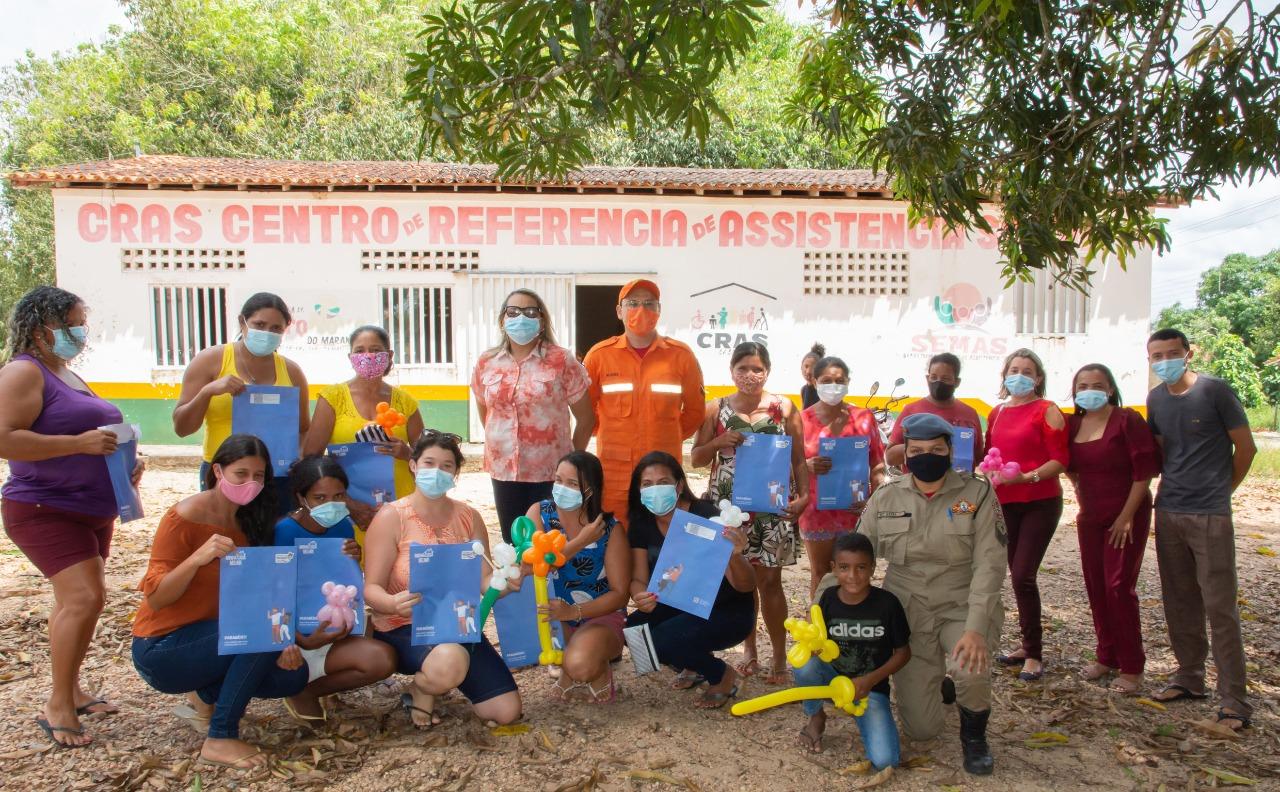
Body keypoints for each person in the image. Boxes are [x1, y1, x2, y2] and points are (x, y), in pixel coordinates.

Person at [0, 286, 145, 747]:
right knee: (84, 598)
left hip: (93, 507)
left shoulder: (67, 373)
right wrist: (78, 445)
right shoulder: (23, 373)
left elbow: (91, 434)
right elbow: (5, 438)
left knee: (75, 602)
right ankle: (58, 704)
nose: (83, 330)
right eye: (76, 321)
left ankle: (73, 688)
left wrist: (123, 465)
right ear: (46, 325)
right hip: (45, 506)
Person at [131, 435, 309, 770]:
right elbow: (156, 599)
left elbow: (265, 590)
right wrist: (197, 558)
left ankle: (206, 693)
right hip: (162, 646)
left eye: (259, 476)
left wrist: (283, 642)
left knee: (291, 677)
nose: (251, 483)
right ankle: (220, 736)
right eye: (241, 473)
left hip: (217, 639)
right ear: (218, 470)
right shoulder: (183, 517)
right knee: (260, 632)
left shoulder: (252, 519)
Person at [858, 414, 1006, 775]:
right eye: (918, 450)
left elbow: (990, 564)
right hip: (909, 610)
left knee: (970, 668)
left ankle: (974, 736)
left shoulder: (977, 493)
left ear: (950, 451)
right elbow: (856, 555)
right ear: (905, 453)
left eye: (937, 449)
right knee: (922, 730)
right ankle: (938, 683)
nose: (928, 456)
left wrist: (975, 629)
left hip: (962, 604)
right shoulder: (886, 496)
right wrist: (826, 602)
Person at [364, 430, 521, 728]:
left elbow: (483, 582)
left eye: (446, 466)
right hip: (405, 626)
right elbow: (370, 589)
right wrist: (392, 603)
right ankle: (423, 689)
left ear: (456, 473)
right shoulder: (391, 516)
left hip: (458, 625)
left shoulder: (469, 517)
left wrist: (503, 584)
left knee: (505, 712)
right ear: (413, 465)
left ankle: (430, 682)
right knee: (449, 662)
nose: (436, 471)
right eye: (429, 463)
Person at [1146, 329, 1256, 730]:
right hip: (1169, 508)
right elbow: (1162, 451)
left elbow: (1245, 448)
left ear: (1188, 354)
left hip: (1210, 514)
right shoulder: (1156, 398)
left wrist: (1222, 491)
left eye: (1172, 353)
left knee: (1220, 607)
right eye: (1157, 355)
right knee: (1179, 599)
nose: (1165, 360)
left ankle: (1235, 701)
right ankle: (1190, 677)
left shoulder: (1215, 391)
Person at [691, 341, 809, 686]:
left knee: (771, 583)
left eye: (757, 368)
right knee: (740, 582)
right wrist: (718, 442)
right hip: (729, 510)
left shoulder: (785, 408)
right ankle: (749, 651)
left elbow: (799, 459)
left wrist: (802, 497)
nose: (750, 375)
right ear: (731, 371)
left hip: (772, 509)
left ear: (767, 371)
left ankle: (779, 656)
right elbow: (696, 457)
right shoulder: (716, 409)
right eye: (743, 368)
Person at [626, 452, 756, 708]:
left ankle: (722, 675)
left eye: (663, 482)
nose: (655, 490)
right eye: (647, 484)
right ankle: (693, 663)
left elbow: (746, 585)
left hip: (726, 610)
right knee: (634, 629)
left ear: (679, 486)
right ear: (639, 490)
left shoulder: (708, 516)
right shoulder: (641, 524)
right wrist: (640, 596)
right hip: (678, 603)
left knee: (663, 640)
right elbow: (638, 579)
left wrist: (735, 555)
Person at [273, 455, 396, 721]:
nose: (331, 504)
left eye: (339, 496)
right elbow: (272, 594)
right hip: (295, 640)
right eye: (320, 498)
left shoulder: (342, 525)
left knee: (382, 660)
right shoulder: (282, 532)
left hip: (335, 632)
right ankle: (292, 682)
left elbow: (344, 581)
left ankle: (308, 690)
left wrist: (354, 558)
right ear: (300, 497)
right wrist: (296, 638)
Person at [1066, 364, 1160, 695]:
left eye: (1097, 384)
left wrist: (1127, 516)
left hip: (1127, 516)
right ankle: (1107, 656)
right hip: (1090, 517)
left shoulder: (1127, 420)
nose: (1089, 389)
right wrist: (1078, 489)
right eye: (1082, 385)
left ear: (1109, 388)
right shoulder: (1073, 423)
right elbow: (1069, 465)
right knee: (1096, 586)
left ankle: (1133, 667)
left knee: (1118, 587)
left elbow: (1144, 472)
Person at [472, 289, 594, 542]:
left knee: (549, 541)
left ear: (541, 321)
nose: (521, 318)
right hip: (504, 470)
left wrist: (571, 463)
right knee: (513, 539)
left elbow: (586, 419)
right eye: (513, 312)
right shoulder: (487, 362)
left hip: (550, 471)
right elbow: (488, 412)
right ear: (502, 320)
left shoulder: (561, 360)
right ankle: (519, 582)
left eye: (530, 312)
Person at [172, 292, 309, 510]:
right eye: (260, 324)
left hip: (276, 477)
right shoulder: (210, 361)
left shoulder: (292, 372)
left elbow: (303, 430)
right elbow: (182, 427)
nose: (267, 333)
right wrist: (208, 392)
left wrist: (299, 459)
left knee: (273, 542)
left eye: (276, 329)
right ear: (242, 322)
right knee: (228, 540)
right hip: (225, 475)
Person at [584, 279, 704, 521]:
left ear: (659, 311)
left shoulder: (681, 356)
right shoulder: (599, 357)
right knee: (617, 538)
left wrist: (664, 435)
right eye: (633, 303)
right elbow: (586, 413)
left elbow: (695, 412)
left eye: (650, 303)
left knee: (661, 539)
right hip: (615, 473)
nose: (641, 309)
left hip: (663, 472)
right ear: (619, 311)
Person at [985, 348, 1068, 681]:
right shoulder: (997, 413)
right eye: (1013, 369)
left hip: (1039, 501)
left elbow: (1060, 459)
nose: (1019, 375)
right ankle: (1024, 644)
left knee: (1023, 575)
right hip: (1006, 503)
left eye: (1027, 370)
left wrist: (1028, 477)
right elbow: (992, 455)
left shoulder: (1047, 411)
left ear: (1038, 378)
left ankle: (1034, 653)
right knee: (1014, 575)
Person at [795, 532, 909, 770]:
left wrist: (870, 680)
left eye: (861, 568)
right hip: (832, 678)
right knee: (804, 664)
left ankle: (863, 715)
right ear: (834, 568)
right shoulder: (827, 598)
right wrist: (813, 648)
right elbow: (817, 641)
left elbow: (903, 653)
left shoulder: (887, 604)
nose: (853, 576)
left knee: (886, 761)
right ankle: (816, 715)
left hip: (870, 689)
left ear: (873, 568)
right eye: (845, 567)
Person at [525, 451, 629, 702]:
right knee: (564, 658)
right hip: (550, 614)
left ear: (590, 491)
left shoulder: (609, 529)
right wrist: (581, 542)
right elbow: (531, 567)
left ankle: (595, 666)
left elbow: (619, 595)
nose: (562, 488)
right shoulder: (539, 513)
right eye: (559, 480)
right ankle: (570, 663)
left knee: (580, 665)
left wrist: (573, 612)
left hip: (598, 615)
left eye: (572, 484)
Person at [798, 354, 887, 602]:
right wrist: (807, 466)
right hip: (817, 511)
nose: (833, 386)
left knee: (856, 573)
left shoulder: (864, 418)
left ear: (848, 382)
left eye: (839, 380)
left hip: (856, 509)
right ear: (814, 382)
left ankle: (852, 626)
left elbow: (877, 464)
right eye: (826, 380)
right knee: (821, 572)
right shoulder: (800, 420)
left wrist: (874, 502)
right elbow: (786, 468)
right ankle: (819, 628)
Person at [303, 325, 423, 502]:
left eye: (375, 350)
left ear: (389, 356)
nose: (368, 356)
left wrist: (407, 454)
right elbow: (311, 458)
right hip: (346, 506)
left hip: (401, 504)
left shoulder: (406, 403)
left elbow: (428, 458)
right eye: (360, 350)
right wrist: (348, 504)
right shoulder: (332, 399)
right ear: (351, 358)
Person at [886, 353, 984, 470]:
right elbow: (890, 457)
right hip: (918, 487)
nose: (938, 382)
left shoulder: (970, 414)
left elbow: (978, 457)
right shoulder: (911, 411)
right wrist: (919, 445)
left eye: (945, 378)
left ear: (957, 382)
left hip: (961, 485)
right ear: (927, 379)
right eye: (934, 377)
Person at [799, 343, 824, 409]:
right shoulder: (803, 390)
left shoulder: (824, 390)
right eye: (806, 366)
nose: (808, 371)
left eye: (813, 367)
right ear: (801, 367)